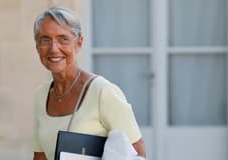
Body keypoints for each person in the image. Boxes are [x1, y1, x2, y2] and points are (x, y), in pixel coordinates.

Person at [32, 6, 146, 160]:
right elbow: (40, 156)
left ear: (79, 43)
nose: (54, 48)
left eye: (63, 39)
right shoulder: (41, 95)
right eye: (45, 40)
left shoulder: (102, 92)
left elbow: (138, 153)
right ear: (37, 46)